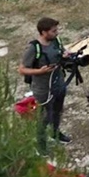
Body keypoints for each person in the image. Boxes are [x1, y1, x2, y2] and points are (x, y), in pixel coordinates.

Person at [19, 17, 72, 154]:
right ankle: (41, 145)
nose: (57, 33)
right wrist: (39, 71)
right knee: (44, 117)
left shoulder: (56, 41)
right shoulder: (34, 48)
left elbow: (61, 52)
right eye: (53, 31)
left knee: (57, 111)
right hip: (43, 89)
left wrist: (65, 55)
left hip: (59, 83)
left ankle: (55, 133)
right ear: (44, 32)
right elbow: (22, 69)